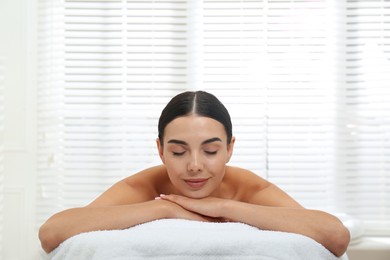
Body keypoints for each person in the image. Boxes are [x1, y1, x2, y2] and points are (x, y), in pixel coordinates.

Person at [39, 90, 350, 256]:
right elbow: (52, 233)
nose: (195, 165)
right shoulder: (143, 186)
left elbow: (335, 236)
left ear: (230, 148)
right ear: (160, 150)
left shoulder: (248, 188)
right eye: (178, 151)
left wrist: (225, 207)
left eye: (211, 151)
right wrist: (165, 208)